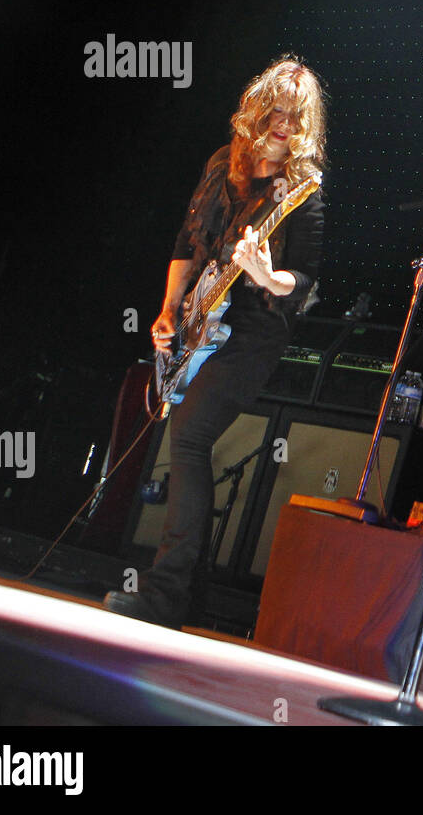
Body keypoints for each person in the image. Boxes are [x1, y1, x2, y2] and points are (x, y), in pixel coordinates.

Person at [104, 57, 326, 628]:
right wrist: (169, 310)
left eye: (294, 115)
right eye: (276, 109)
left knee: (191, 439)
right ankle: (189, 596)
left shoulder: (300, 192)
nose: (283, 122)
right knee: (186, 443)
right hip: (199, 322)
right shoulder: (218, 167)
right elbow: (187, 240)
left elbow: (301, 281)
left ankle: (165, 594)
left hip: (252, 333)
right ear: (257, 110)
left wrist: (264, 274)